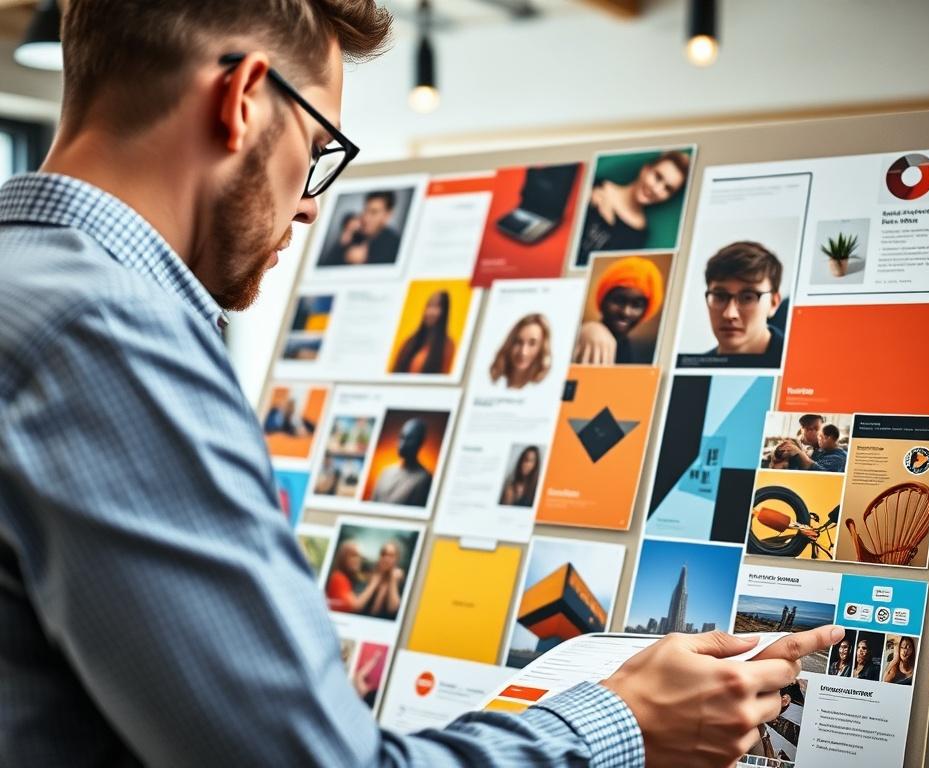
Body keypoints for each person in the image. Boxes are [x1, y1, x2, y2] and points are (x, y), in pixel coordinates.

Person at [0, 1, 842, 764]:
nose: (311, 206)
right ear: (243, 99)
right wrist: (626, 720)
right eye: (318, 149)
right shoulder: (108, 339)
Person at [575, 151, 689, 265]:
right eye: (657, 177)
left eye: (667, 189)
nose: (656, 189)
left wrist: (608, 223)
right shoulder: (593, 184)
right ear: (646, 169)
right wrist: (582, 201)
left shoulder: (638, 237)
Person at [703, 241, 785, 366]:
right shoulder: (691, 368)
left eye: (747, 297)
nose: (729, 314)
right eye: (720, 296)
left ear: (773, 303)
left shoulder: (798, 362)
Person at [574, 255, 665, 365]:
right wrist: (588, 330)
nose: (625, 312)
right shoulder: (583, 335)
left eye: (636, 305)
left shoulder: (634, 350)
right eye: (618, 301)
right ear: (603, 300)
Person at [319, 190, 401, 266]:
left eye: (374, 212)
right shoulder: (353, 234)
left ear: (387, 215)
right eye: (366, 210)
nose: (366, 218)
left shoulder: (394, 244)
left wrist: (365, 262)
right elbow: (324, 266)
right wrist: (342, 248)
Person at [370, 418, 433, 506]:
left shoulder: (424, 479)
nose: (403, 443)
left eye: (410, 439)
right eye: (402, 437)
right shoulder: (385, 472)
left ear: (420, 442)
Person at [390, 290, 455, 374]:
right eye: (429, 306)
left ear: (444, 311)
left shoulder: (448, 346)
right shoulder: (409, 342)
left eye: (437, 307)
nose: (430, 312)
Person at [489, 313, 552, 389]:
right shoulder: (496, 382)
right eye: (519, 342)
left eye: (532, 343)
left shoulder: (544, 387)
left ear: (542, 348)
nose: (523, 352)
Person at [772, 414, 847, 473]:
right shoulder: (794, 442)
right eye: (808, 428)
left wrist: (799, 453)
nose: (813, 432)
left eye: (816, 428)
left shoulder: (836, 453)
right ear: (802, 429)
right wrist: (779, 454)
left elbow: (820, 472)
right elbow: (776, 455)